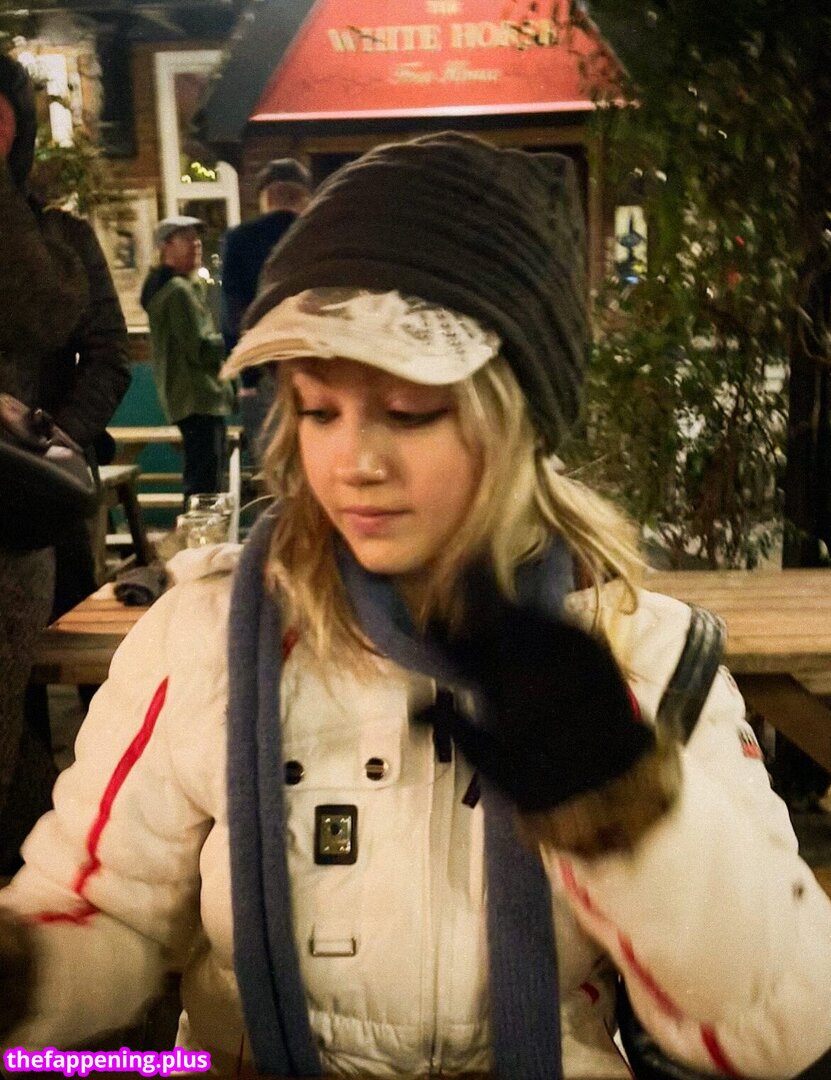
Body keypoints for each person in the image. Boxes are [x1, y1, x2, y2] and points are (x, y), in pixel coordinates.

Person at [1, 132, 830, 1080]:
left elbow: (784, 1025)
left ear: (518, 418)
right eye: (317, 410)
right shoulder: (204, 639)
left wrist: (628, 814)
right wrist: (22, 978)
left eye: (408, 412)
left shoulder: (639, 653)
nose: (354, 461)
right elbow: (104, 913)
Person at [0, 54, 130, 876]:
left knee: (23, 705)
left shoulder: (58, 238)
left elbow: (103, 350)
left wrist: (55, 439)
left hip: (23, 511)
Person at [220, 158, 313, 462]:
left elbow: (233, 315)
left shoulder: (239, 240)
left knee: (273, 469)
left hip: (262, 369)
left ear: (266, 197)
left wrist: (246, 376)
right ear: (305, 197)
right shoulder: (319, 234)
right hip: (316, 367)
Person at [141, 215, 232, 505]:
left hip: (186, 399)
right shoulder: (178, 291)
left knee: (199, 480)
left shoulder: (162, 287)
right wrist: (235, 341)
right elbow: (201, 348)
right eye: (187, 238)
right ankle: (201, 533)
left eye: (197, 237)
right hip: (199, 397)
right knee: (206, 487)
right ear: (165, 245)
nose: (196, 244)